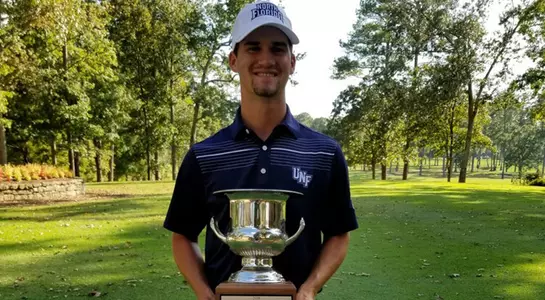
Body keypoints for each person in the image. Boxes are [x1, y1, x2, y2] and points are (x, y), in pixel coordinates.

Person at [163, 1, 359, 299]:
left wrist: (309, 288)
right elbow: (183, 235)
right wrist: (205, 293)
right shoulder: (204, 155)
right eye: (253, 48)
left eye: (278, 48)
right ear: (233, 59)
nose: (266, 59)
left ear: (292, 62)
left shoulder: (324, 153)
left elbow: (338, 233)